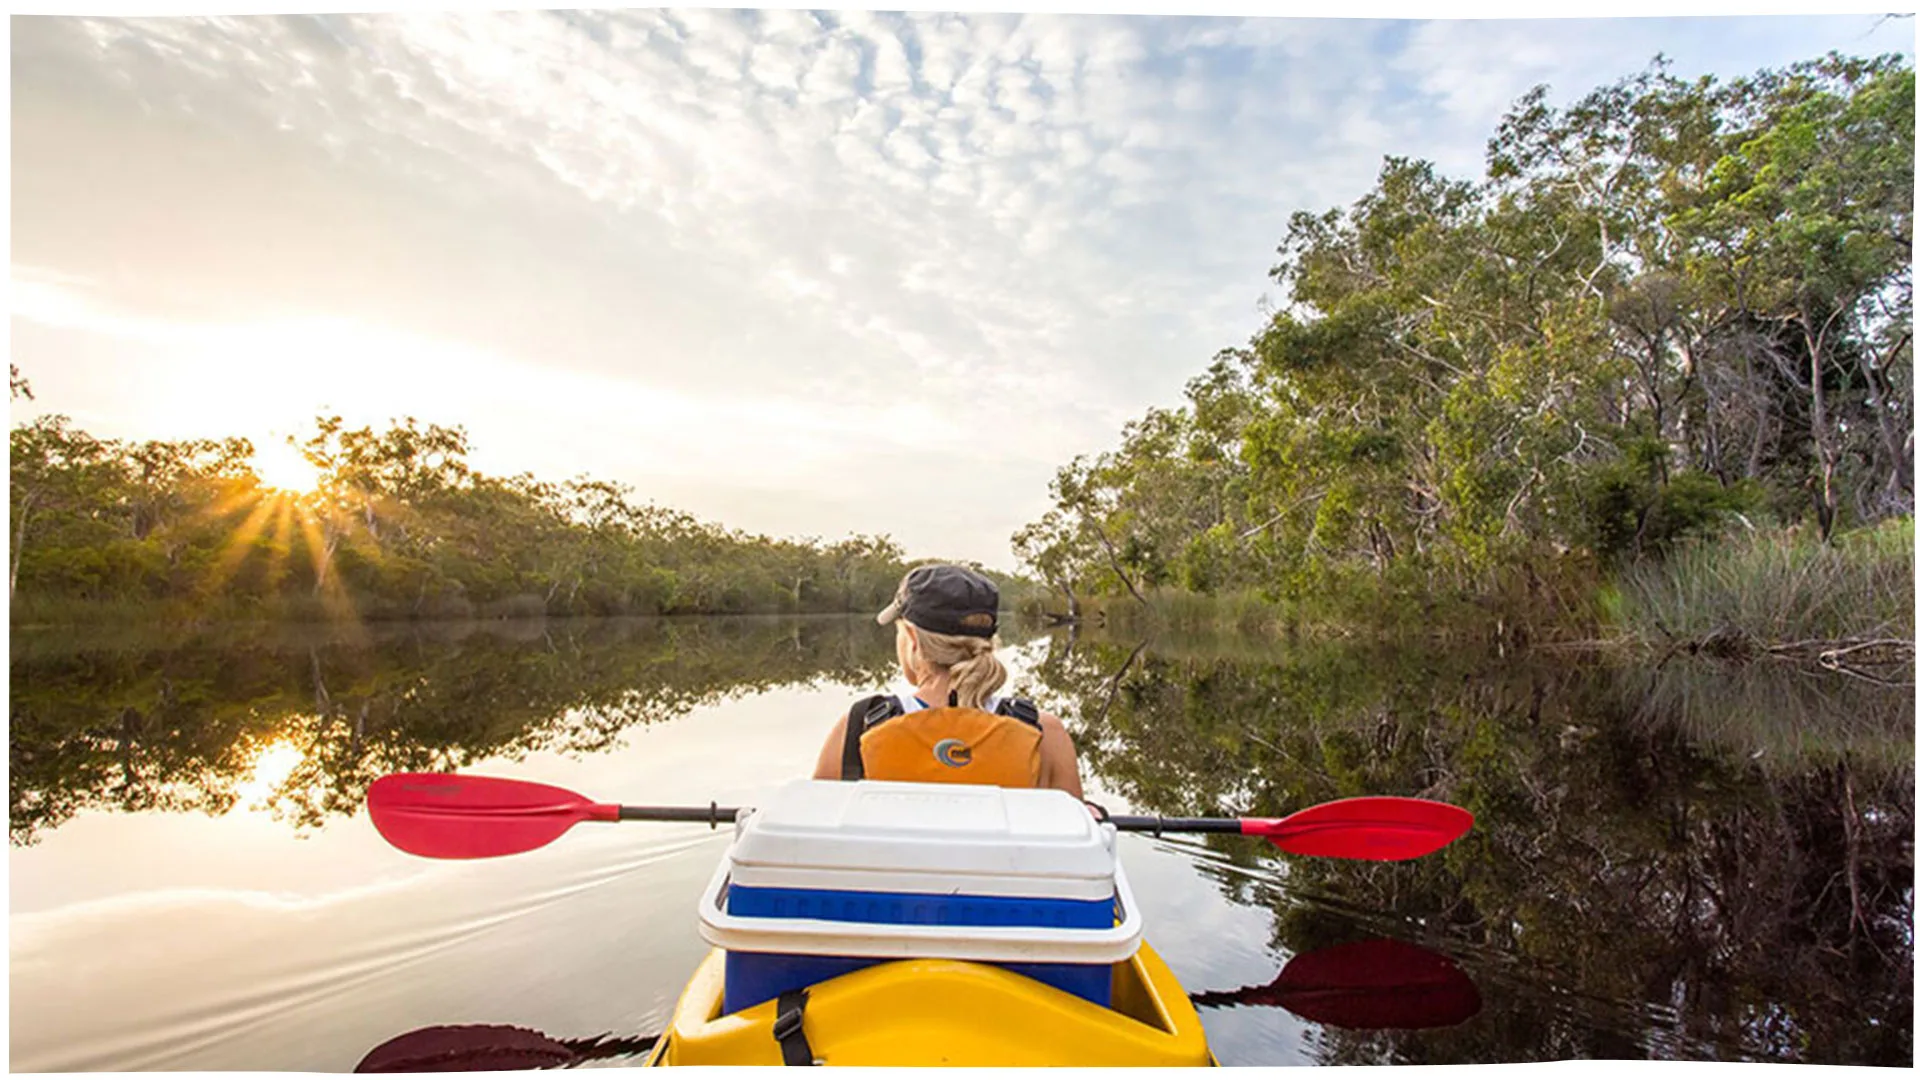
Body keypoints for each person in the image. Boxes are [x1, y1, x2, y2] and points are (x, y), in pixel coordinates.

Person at [812, 564, 1086, 800]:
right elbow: (1075, 843)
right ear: (989, 641)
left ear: (912, 638)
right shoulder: (1043, 732)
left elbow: (812, 829)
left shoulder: (860, 726)